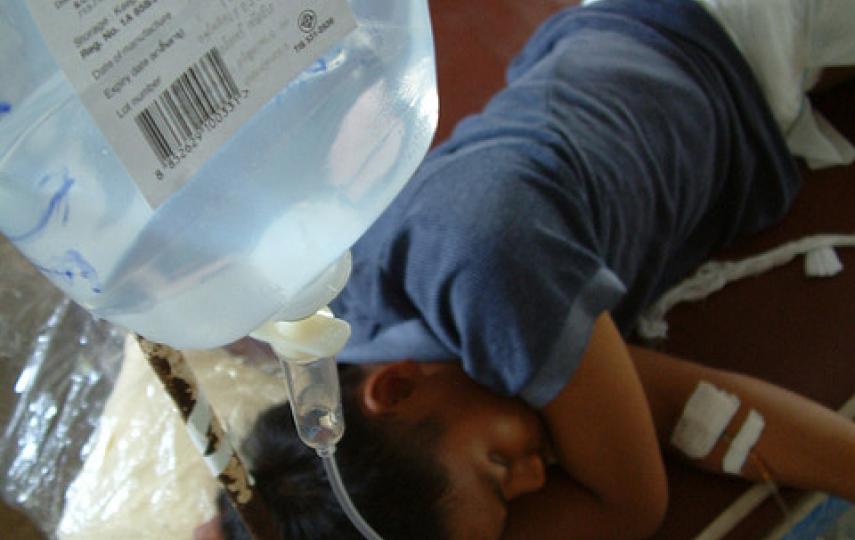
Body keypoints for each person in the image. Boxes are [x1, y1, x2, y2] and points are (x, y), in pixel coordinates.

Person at [213, 0, 855, 538]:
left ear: (397, 391)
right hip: (669, 52)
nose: (537, 479)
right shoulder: (371, 333)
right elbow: (678, 399)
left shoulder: (493, 273)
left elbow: (631, 506)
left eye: (498, 470)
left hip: (724, 25)